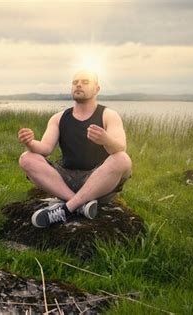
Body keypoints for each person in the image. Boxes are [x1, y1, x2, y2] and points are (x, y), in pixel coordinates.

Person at [17, 70, 132, 228]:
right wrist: (29, 142)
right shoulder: (58, 118)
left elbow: (120, 147)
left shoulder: (109, 115)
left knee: (122, 158)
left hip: (98, 183)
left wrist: (106, 140)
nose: (78, 84)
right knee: (26, 158)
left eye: (85, 82)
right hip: (65, 181)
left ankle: (67, 209)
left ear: (97, 89)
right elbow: (45, 149)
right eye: (75, 82)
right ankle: (80, 205)